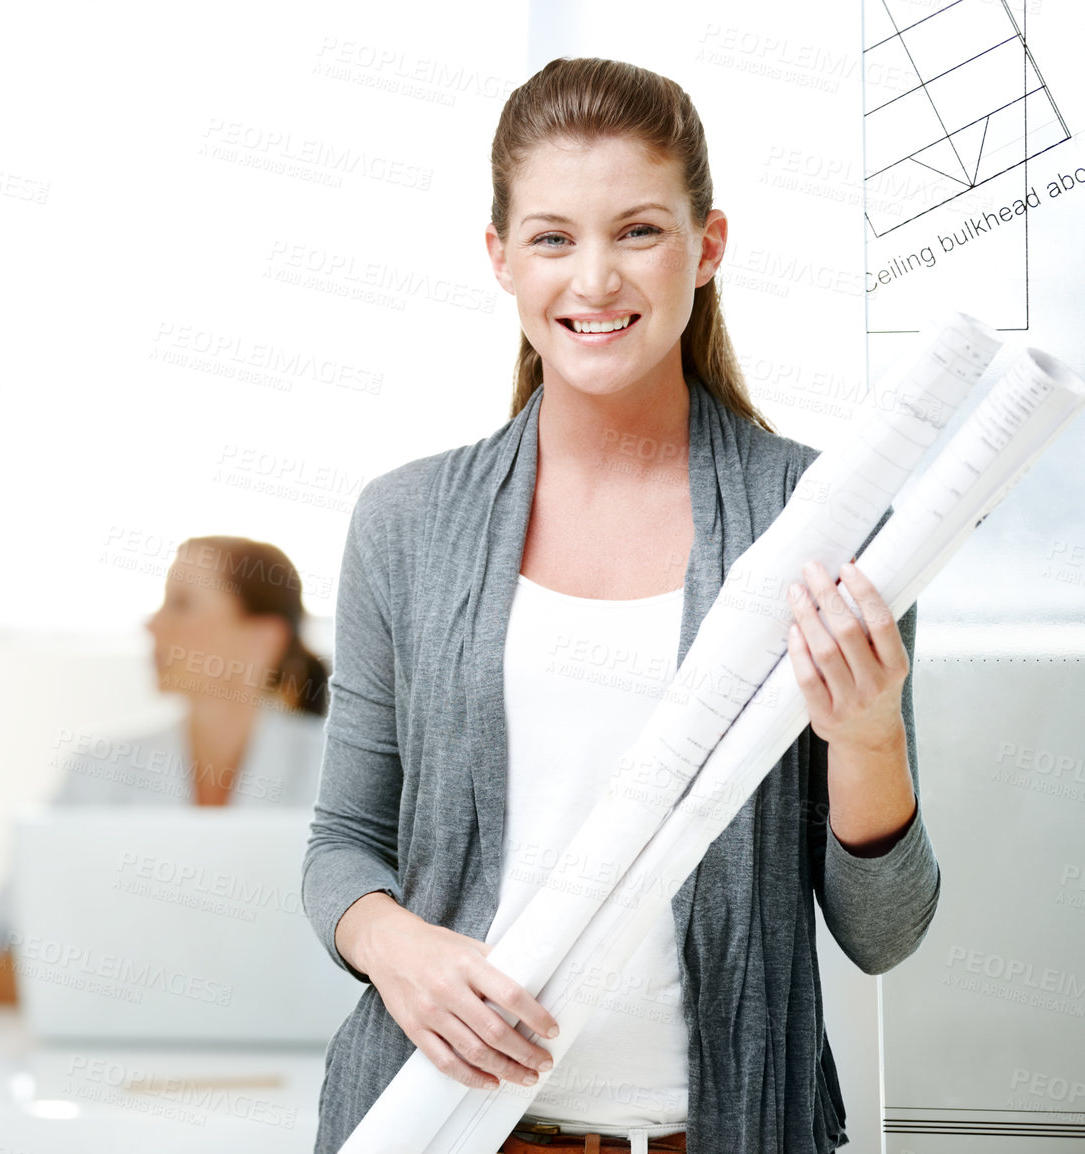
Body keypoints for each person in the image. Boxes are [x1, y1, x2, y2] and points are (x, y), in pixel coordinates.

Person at [302, 58, 940, 1154]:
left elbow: (883, 930)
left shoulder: (823, 524)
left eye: (638, 231)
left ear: (710, 244)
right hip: (441, 1126)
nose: (594, 279)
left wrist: (869, 726)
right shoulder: (404, 523)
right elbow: (341, 846)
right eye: (553, 238)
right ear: (501, 259)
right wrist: (396, 947)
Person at [0, 535, 329, 1003]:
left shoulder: (338, 773)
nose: (152, 625)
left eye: (182, 604)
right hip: (122, 1068)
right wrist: (118, 991)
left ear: (263, 639)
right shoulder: (100, 771)